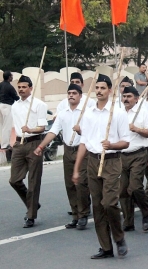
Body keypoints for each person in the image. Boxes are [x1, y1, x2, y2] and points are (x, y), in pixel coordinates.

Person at [72, 74, 131, 259]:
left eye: (102, 88)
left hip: (112, 161)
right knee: (97, 206)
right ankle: (106, 247)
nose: (99, 91)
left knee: (109, 203)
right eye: (96, 88)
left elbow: (126, 142)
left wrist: (112, 145)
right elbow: (84, 141)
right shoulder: (89, 113)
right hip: (93, 161)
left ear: (110, 91)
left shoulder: (118, 113)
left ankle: (119, 237)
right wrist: (76, 168)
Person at [34, 84, 90, 230]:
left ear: (80, 95)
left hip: (82, 150)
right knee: (70, 184)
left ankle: (83, 214)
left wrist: (80, 131)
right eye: (69, 93)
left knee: (81, 183)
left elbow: (92, 135)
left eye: (74, 93)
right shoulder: (63, 113)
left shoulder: (87, 112)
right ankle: (76, 215)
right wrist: (41, 146)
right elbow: (53, 131)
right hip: (68, 150)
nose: (71, 95)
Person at [9, 75, 47, 228]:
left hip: (34, 143)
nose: (21, 89)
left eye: (24, 87)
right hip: (19, 144)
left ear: (31, 88)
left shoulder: (39, 105)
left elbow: (43, 127)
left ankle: (31, 216)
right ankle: (33, 204)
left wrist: (30, 129)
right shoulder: (14, 105)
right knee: (14, 180)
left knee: (33, 182)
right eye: (19, 87)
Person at [119, 86, 148, 232]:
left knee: (135, 187)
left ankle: (145, 213)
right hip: (121, 155)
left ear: (136, 98)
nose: (126, 99)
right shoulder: (118, 113)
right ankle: (128, 221)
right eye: (124, 96)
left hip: (138, 154)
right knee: (122, 190)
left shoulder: (143, 112)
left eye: (129, 96)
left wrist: (137, 129)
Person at [0, 71, 19, 158]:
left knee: (1, 126)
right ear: (9, 77)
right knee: (6, 126)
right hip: (7, 106)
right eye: (11, 76)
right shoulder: (10, 87)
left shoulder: (0, 85)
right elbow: (16, 97)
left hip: (0, 105)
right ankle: (5, 145)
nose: (12, 78)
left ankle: (2, 143)